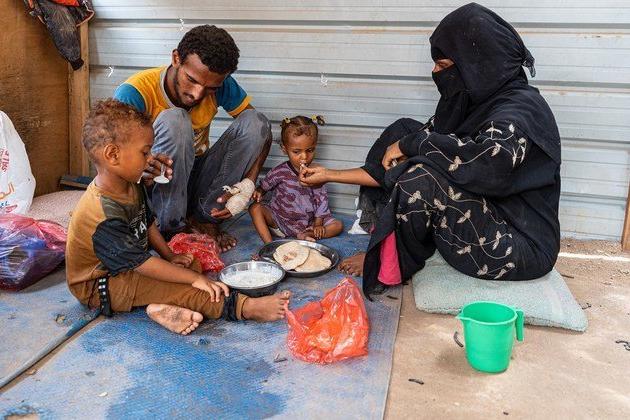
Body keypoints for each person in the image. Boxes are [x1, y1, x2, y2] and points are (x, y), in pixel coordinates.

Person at [300, 3, 562, 297]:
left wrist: (414, 145)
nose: (435, 72)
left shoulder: (518, 114)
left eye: (444, 66)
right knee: (404, 131)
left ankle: (390, 261)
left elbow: (485, 165)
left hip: (519, 245)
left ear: (476, 66)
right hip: (481, 213)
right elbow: (409, 150)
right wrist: (328, 174)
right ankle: (384, 234)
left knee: (421, 178)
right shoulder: (470, 103)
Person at [66, 99, 290, 335]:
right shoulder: (102, 213)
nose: (150, 158)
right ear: (113, 154)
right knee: (192, 286)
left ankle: (159, 308)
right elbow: (143, 265)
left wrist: (169, 256)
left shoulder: (131, 183)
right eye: (145, 152)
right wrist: (192, 279)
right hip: (102, 285)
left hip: (129, 266)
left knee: (190, 264)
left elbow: (147, 222)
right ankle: (246, 307)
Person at [114, 25, 272, 251]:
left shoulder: (219, 84)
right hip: (154, 190)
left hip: (194, 179)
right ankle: (171, 229)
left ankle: (205, 218)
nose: (197, 94)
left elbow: (262, 134)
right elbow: (112, 160)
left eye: (210, 88)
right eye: (191, 79)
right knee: (176, 119)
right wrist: (142, 167)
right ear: (176, 58)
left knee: (256, 122)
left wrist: (249, 183)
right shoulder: (135, 93)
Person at [249, 116, 343, 243]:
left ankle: (308, 234)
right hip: (280, 221)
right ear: (284, 149)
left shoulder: (316, 174)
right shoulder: (279, 172)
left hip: (308, 223)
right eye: (296, 152)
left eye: (310, 150)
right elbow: (264, 187)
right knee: (254, 208)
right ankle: (269, 245)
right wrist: (259, 192)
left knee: (337, 225)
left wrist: (318, 224)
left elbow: (321, 200)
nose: (304, 157)